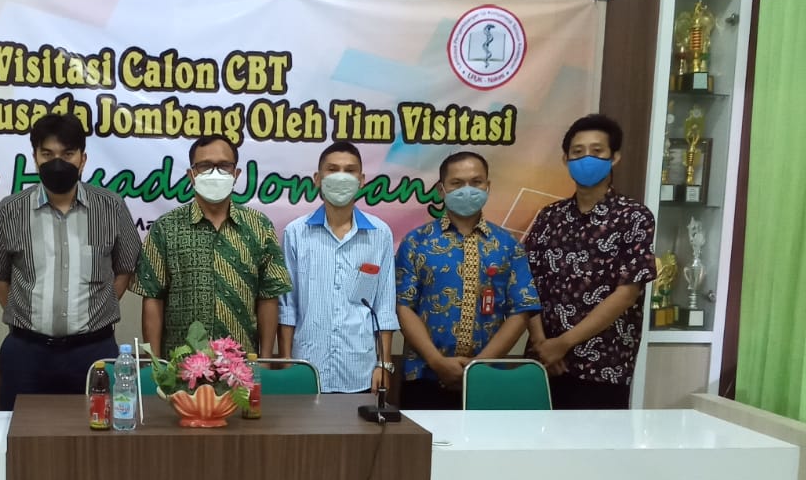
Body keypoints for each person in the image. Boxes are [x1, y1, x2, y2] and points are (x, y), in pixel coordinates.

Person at [0, 113, 141, 411]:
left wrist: (98, 309)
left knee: (97, 430)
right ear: (35, 158)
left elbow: (125, 268)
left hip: (94, 351)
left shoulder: (111, 207)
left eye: (67, 154)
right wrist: (26, 314)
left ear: (82, 159)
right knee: (21, 433)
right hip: (26, 352)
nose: (57, 162)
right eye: (47, 154)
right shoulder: (9, 210)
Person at [525, 114, 657, 409]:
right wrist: (542, 343)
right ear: (566, 159)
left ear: (614, 157)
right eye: (578, 152)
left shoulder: (633, 217)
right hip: (544, 362)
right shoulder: (550, 217)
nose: (586, 158)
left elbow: (626, 293)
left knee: (596, 439)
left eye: (597, 151)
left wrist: (563, 343)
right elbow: (526, 283)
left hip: (603, 367)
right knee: (535, 437)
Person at [395, 150, 541, 409]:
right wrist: (437, 362)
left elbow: (521, 310)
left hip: (489, 377)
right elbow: (403, 306)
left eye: (476, 182)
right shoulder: (416, 242)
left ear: (487, 186)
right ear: (441, 190)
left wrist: (478, 367)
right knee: (419, 438)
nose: (467, 190)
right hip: (424, 375)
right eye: (457, 183)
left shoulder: (507, 245)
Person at [134, 135, 292, 357]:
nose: (215, 173)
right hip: (180, 365)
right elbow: (153, 298)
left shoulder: (259, 226)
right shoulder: (166, 227)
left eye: (224, 166)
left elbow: (269, 296)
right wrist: (155, 363)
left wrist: (264, 360)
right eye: (205, 166)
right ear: (192, 175)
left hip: (241, 365)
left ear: (236, 174)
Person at [278, 140, 398, 393]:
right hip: (307, 366)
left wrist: (384, 364)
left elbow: (384, 306)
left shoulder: (380, 234)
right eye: (332, 169)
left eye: (350, 170)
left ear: (361, 180)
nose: (341, 177)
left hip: (361, 370)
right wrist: (287, 361)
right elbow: (287, 306)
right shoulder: (296, 233)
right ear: (317, 179)